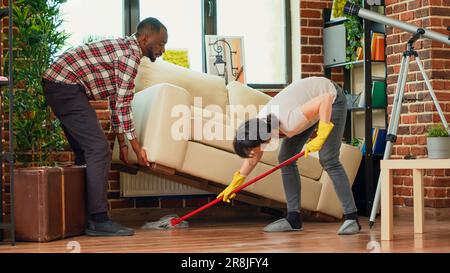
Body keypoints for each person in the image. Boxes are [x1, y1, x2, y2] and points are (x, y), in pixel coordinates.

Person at [42, 17, 168, 236]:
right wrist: (137, 148)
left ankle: (84, 217)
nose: (163, 50)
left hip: (59, 83)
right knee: (98, 149)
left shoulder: (125, 49)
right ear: (145, 38)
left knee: (86, 152)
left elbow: (115, 101)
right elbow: (123, 105)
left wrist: (124, 146)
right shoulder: (130, 57)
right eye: (160, 43)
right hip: (65, 85)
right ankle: (98, 220)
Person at [218, 76, 361, 235]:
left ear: (261, 140)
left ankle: (351, 218)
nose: (253, 154)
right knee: (285, 159)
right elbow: (254, 157)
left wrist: (321, 135)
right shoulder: (260, 125)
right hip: (311, 104)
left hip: (332, 100)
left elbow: (325, 99)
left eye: (253, 149)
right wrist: (236, 182)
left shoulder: (288, 122)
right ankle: (293, 219)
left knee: (328, 158)